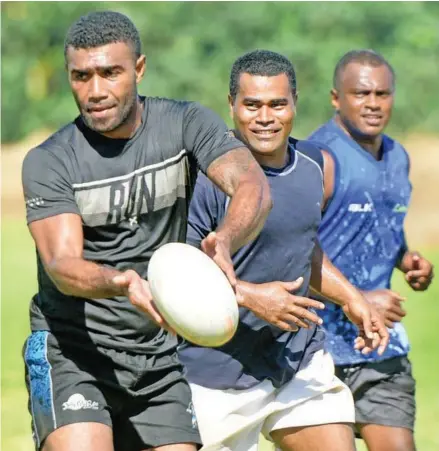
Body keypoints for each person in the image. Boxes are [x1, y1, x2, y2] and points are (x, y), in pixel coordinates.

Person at [21, 11, 273, 451]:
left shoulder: (184, 124)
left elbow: (251, 184)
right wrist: (122, 282)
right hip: (72, 352)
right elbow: (62, 266)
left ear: (138, 68)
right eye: (81, 76)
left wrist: (226, 239)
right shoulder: (50, 160)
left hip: (156, 356)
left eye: (110, 73)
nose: (95, 90)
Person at [179, 49, 389, 451]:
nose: (264, 117)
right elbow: (181, 275)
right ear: (231, 105)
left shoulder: (316, 165)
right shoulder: (202, 179)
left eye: (277, 104)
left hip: (297, 360)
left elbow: (303, 245)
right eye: (252, 105)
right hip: (217, 374)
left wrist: (351, 299)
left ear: (295, 102)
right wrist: (251, 297)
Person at [308, 49, 434, 451]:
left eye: (383, 93)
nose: (374, 104)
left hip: (381, 346)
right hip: (317, 350)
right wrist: (357, 298)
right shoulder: (318, 157)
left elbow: (382, 228)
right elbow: (291, 249)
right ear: (336, 98)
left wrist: (407, 260)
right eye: (361, 94)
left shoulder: (398, 157)